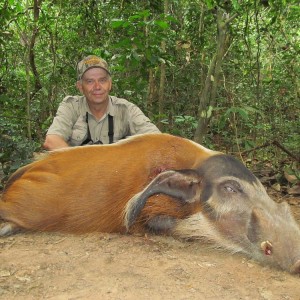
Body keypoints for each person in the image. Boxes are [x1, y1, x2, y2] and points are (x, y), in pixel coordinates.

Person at [43, 55, 160, 150]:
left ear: (110, 84)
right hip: (77, 174)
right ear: (80, 86)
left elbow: (157, 140)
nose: (97, 87)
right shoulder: (71, 106)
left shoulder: (125, 109)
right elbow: (52, 141)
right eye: (90, 81)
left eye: (102, 80)